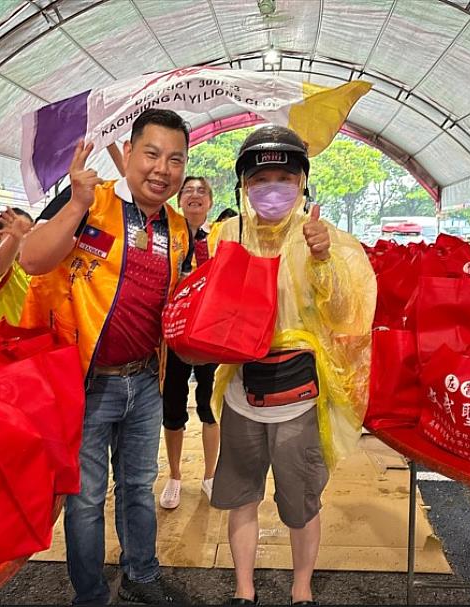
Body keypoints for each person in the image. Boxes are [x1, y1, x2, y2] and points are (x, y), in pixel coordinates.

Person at [19, 109, 192, 607]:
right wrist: (74, 204)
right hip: (86, 383)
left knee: (139, 487)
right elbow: (32, 260)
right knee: (86, 499)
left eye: (175, 159)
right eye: (152, 154)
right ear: (130, 154)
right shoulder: (90, 203)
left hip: (144, 384)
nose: (162, 169)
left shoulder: (177, 229)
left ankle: (141, 574)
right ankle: (91, 594)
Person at [209, 125, 376, 605]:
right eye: (261, 178)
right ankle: (244, 587)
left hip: (299, 398)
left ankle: (301, 586)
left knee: (300, 501)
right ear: (244, 186)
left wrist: (323, 259)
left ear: (303, 182)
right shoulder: (228, 234)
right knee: (240, 494)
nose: (272, 187)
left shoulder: (328, 239)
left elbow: (349, 313)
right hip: (243, 390)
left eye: (284, 176)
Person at [159, 176, 221, 509]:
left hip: (210, 337)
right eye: (188, 191)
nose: (195, 195)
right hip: (174, 338)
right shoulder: (169, 238)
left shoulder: (219, 241)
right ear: (179, 201)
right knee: (173, 407)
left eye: (202, 191)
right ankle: (174, 475)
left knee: (210, 406)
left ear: (210, 201)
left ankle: (211, 475)